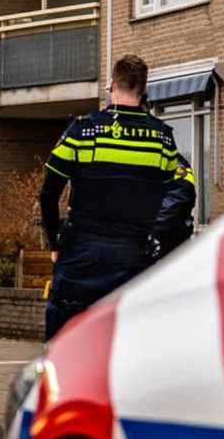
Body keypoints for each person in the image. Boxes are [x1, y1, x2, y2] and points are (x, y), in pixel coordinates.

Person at [39, 55, 197, 340]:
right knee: (125, 349)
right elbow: (171, 191)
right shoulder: (162, 140)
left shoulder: (82, 131)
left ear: (111, 85)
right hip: (133, 257)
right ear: (145, 89)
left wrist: (55, 241)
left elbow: (49, 193)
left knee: (62, 348)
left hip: (82, 254)